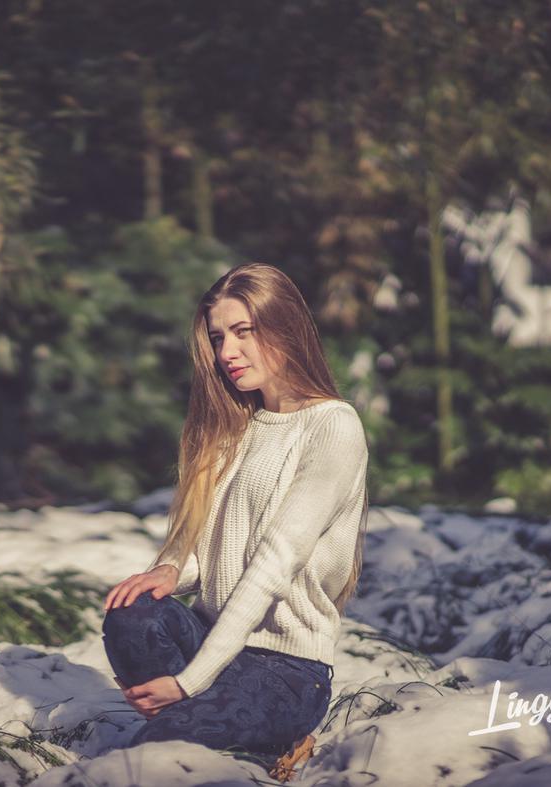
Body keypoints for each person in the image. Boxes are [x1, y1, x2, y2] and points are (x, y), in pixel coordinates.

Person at [101, 262, 370, 763]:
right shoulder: (234, 425)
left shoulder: (333, 426)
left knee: (153, 754)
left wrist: (189, 683)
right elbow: (215, 552)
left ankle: (267, 740)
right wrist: (171, 569)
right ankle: (209, 723)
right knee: (131, 612)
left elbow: (272, 565)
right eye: (218, 337)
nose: (227, 353)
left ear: (286, 326)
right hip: (211, 640)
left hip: (285, 671)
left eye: (244, 332)